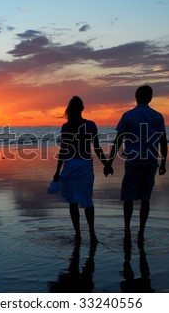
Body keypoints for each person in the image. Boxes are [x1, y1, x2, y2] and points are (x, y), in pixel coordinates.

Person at [105, 85, 168, 241]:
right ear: (150, 98)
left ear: (136, 97)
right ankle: (141, 231)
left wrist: (109, 163)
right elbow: (163, 142)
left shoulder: (128, 116)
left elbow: (118, 140)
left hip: (134, 161)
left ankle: (127, 228)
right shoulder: (157, 116)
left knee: (128, 196)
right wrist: (164, 163)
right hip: (151, 161)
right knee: (145, 197)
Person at [53, 96, 108, 243]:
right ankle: (91, 232)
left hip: (70, 165)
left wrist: (57, 171)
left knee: (73, 201)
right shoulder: (90, 125)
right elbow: (96, 147)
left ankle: (77, 233)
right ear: (82, 108)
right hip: (85, 166)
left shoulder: (66, 127)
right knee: (87, 199)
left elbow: (63, 150)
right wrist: (106, 164)